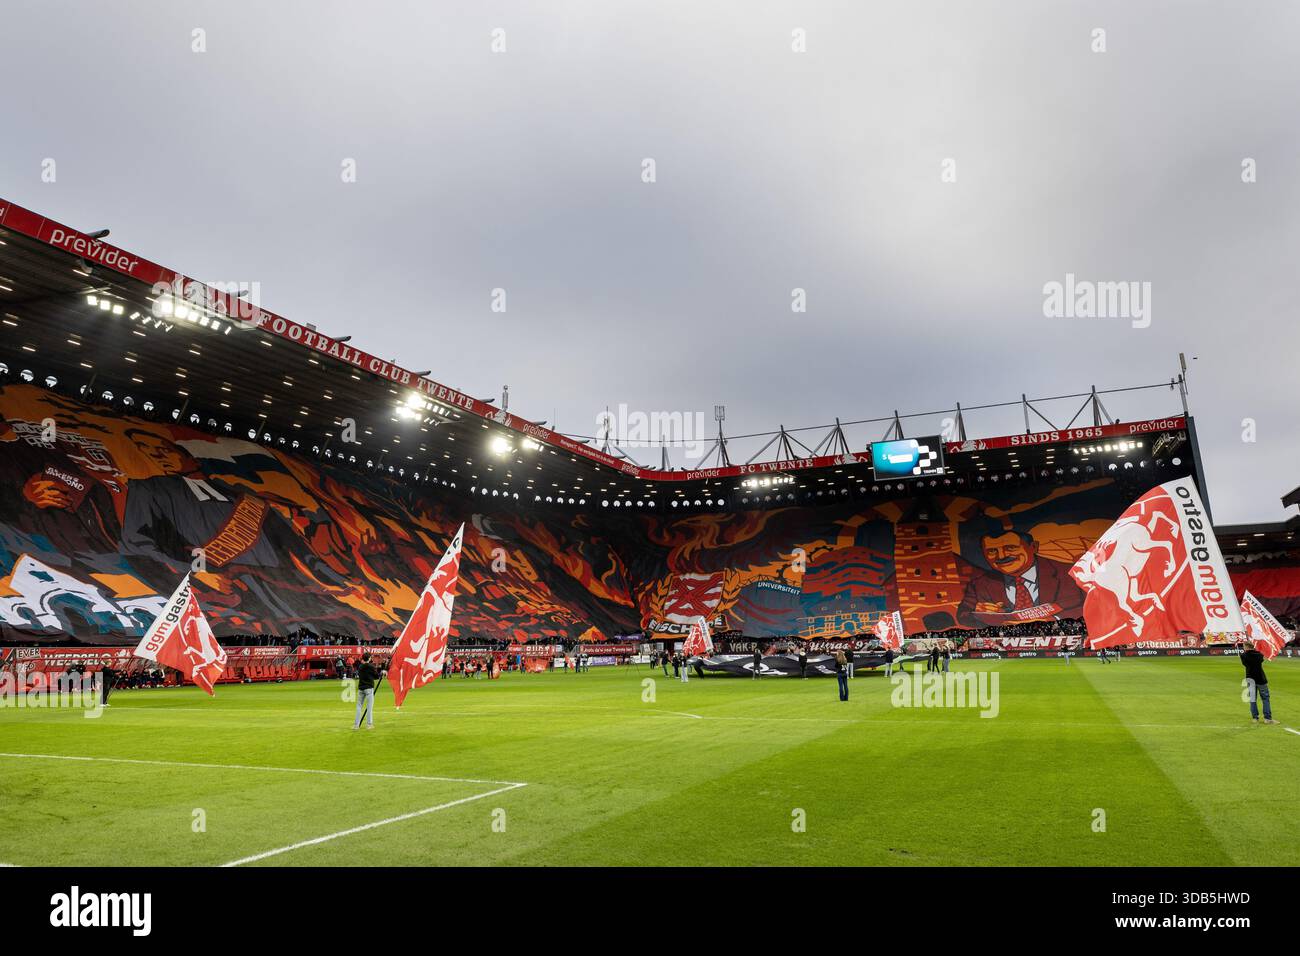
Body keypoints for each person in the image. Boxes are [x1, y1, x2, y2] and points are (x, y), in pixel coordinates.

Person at [1239, 642, 1277, 725]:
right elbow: (1261, 658)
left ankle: (1255, 718)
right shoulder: (1259, 655)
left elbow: (1245, 664)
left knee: (1253, 699)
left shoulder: (1243, 656)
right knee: (1265, 699)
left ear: (1246, 647)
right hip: (1261, 679)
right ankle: (1267, 718)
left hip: (1250, 679)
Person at [353, 652, 382, 730]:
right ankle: (369, 724)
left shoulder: (360, 666)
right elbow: (376, 676)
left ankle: (356, 725)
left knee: (359, 706)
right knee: (369, 707)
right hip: (369, 688)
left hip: (361, 688)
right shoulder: (371, 666)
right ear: (369, 658)